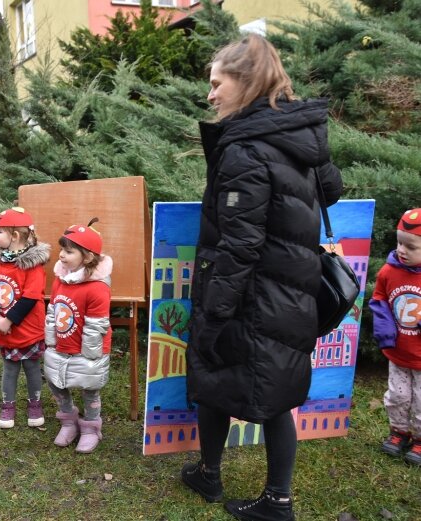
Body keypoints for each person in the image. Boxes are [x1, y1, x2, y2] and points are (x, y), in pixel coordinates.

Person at [180, 34, 342, 521]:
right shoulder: (298, 132)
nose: (209, 94)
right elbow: (330, 191)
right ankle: (246, 486)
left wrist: (215, 312)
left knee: (213, 370)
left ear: (245, 81)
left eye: (216, 82)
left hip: (253, 293)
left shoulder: (245, 148)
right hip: (291, 289)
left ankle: (257, 495)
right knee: (274, 390)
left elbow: (240, 244)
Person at [44, 219, 112, 454]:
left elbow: (96, 325)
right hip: (61, 346)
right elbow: (53, 311)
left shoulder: (97, 288)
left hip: (87, 349)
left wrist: (89, 357)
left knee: (89, 388)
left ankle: (91, 427)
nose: (61, 255)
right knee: (56, 383)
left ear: (88, 257)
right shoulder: (60, 280)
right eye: (62, 249)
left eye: (68, 251)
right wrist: (51, 341)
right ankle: (68, 421)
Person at [0, 207, 50, 429]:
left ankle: (35, 404)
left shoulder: (33, 266)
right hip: (4, 329)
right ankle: (8, 406)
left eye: (0, 231)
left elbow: (30, 299)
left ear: (15, 236)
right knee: (9, 368)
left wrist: (9, 320)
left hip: (27, 330)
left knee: (31, 367)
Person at [369, 208, 421, 466]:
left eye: (411, 246)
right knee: (398, 395)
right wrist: (384, 325)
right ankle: (399, 432)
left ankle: (420, 440)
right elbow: (379, 298)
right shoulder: (389, 272)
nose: (402, 250)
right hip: (399, 350)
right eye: (400, 242)